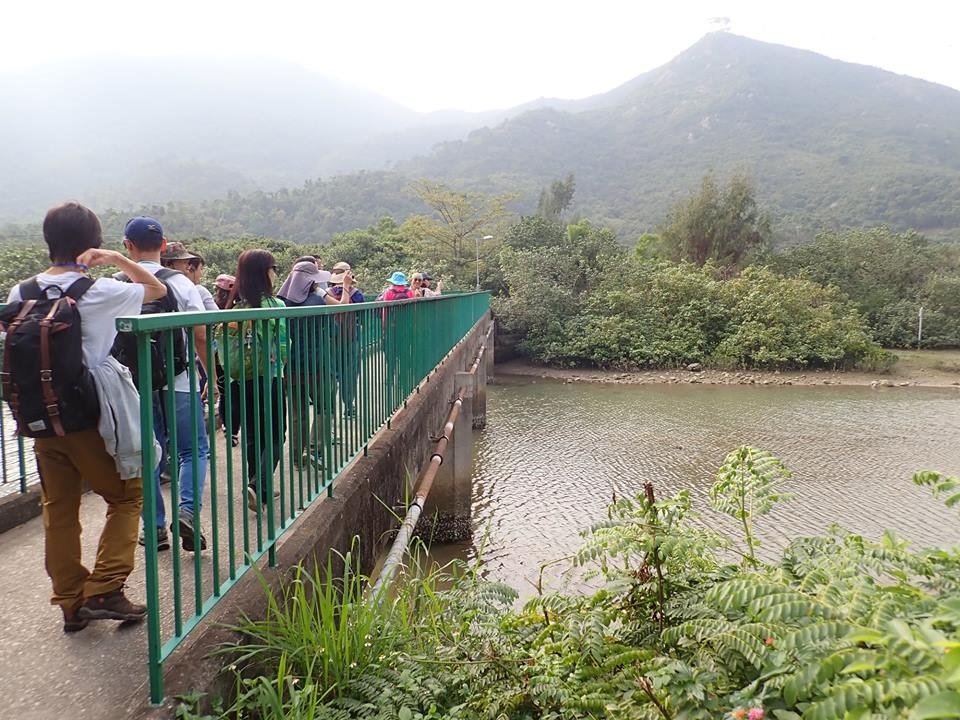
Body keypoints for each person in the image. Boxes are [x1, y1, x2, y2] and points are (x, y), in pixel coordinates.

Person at [4, 202, 165, 630]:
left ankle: (71, 603)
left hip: (38, 415)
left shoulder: (20, 292)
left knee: (59, 508)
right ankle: (107, 588)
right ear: (91, 244)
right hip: (87, 413)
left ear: (47, 241)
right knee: (127, 494)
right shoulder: (98, 290)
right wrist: (115, 259)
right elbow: (156, 291)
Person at [124, 218, 211, 553]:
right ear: (164, 245)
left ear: (127, 245)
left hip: (138, 384)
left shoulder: (119, 282)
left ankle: (155, 528)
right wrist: (210, 377)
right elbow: (200, 333)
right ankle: (187, 511)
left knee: (151, 452)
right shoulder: (182, 284)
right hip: (181, 379)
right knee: (193, 448)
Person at [222, 250, 288, 511]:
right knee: (274, 435)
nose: (275, 273)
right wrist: (281, 363)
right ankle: (258, 484)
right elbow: (283, 343)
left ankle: (257, 487)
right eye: (273, 268)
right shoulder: (275, 306)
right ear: (265, 272)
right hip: (268, 377)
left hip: (241, 379)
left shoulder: (236, 308)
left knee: (252, 434)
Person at [278, 259, 325, 467]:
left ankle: (297, 457)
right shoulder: (316, 301)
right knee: (326, 407)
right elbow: (328, 330)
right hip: (314, 364)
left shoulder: (281, 303)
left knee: (297, 413)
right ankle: (314, 449)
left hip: (290, 365)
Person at [324, 262, 364, 419]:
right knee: (350, 373)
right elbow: (361, 316)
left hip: (331, 340)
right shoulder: (356, 294)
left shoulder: (326, 293)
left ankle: (330, 409)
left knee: (332, 373)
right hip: (350, 339)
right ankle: (349, 405)